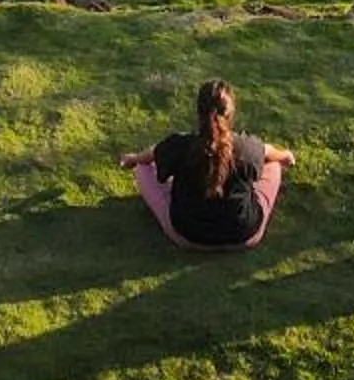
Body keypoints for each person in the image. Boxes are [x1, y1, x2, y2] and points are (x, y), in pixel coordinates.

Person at [118, 78, 295, 251]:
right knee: (273, 164)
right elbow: (270, 152)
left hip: (186, 234)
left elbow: (151, 154)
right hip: (243, 234)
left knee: (142, 167)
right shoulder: (246, 147)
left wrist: (133, 159)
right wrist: (286, 156)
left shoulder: (179, 145)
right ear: (230, 114)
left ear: (198, 113)